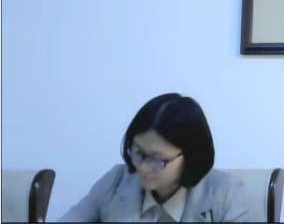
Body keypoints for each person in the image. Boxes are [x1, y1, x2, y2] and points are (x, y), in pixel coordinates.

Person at [58, 94, 252, 222]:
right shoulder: (117, 181)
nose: (143, 167)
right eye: (138, 152)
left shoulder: (225, 194)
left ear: (190, 156)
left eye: (157, 159)